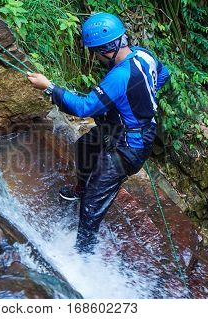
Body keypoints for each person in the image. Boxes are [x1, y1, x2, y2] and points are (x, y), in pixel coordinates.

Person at [27, 12, 170, 254]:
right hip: (126, 130)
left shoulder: (119, 76)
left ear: (108, 49)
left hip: (128, 146)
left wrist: (49, 87)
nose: (96, 57)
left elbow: (84, 108)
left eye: (96, 52)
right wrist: (139, 98)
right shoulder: (143, 54)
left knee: (93, 204)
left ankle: (84, 256)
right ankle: (80, 190)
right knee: (84, 146)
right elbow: (164, 74)